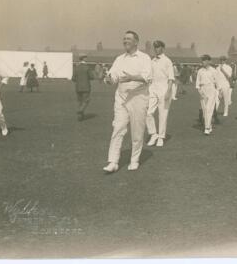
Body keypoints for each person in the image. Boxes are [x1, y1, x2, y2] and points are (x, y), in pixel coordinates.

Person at [102, 31, 152, 173]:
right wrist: (109, 79)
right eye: (124, 39)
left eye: (129, 39)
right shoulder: (119, 59)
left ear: (136, 42)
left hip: (139, 97)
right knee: (118, 128)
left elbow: (147, 77)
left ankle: (134, 160)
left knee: (137, 131)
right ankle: (113, 161)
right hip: (122, 97)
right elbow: (113, 76)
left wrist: (132, 78)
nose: (125, 41)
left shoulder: (144, 58)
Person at [146, 40, 175, 147]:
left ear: (162, 48)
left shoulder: (167, 61)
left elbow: (171, 78)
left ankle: (161, 137)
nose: (156, 49)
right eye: (155, 47)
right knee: (148, 113)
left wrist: (168, 92)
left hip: (164, 89)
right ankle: (153, 134)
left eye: (158, 47)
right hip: (153, 89)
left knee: (163, 115)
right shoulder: (152, 61)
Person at [196, 55, 218, 135]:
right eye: (202, 60)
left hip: (211, 89)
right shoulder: (200, 71)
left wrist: (218, 93)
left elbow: (217, 83)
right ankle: (209, 125)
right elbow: (197, 83)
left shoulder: (214, 71)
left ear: (209, 61)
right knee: (205, 110)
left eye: (205, 60)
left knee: (209, 109)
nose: (203, 62)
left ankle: (207, 128)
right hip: (202, 89)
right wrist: (199, 91)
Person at [71, 54, 95, 121]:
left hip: (78, 87)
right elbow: (92, 77)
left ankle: (80, 117)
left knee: (79, 101)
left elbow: (73, 78)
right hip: (86, 87)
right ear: (84, 59)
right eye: (86, 58)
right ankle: (80, 110)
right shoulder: (87, 67)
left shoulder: (76, 67)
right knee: (86, 100)